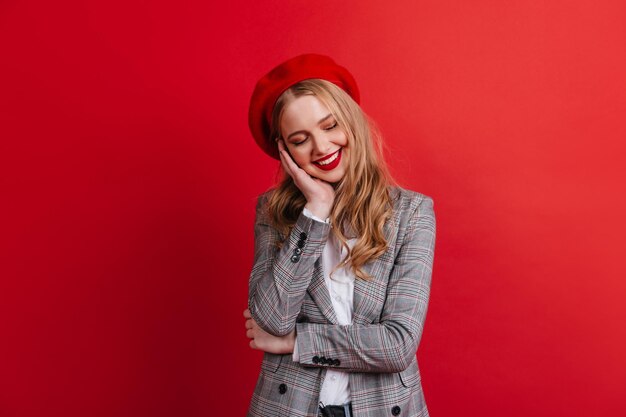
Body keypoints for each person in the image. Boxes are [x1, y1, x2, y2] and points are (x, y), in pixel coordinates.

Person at [243, 53, 436, 417]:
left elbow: (397, 345)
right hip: (288, 407)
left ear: (351, 121)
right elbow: (271, 320)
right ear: (285, 152)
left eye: (330, 125)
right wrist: (314, 212)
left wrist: (297, 343)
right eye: (301, 139)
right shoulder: (272, 212)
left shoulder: (412, 213)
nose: (321, 147)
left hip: (384, 407)